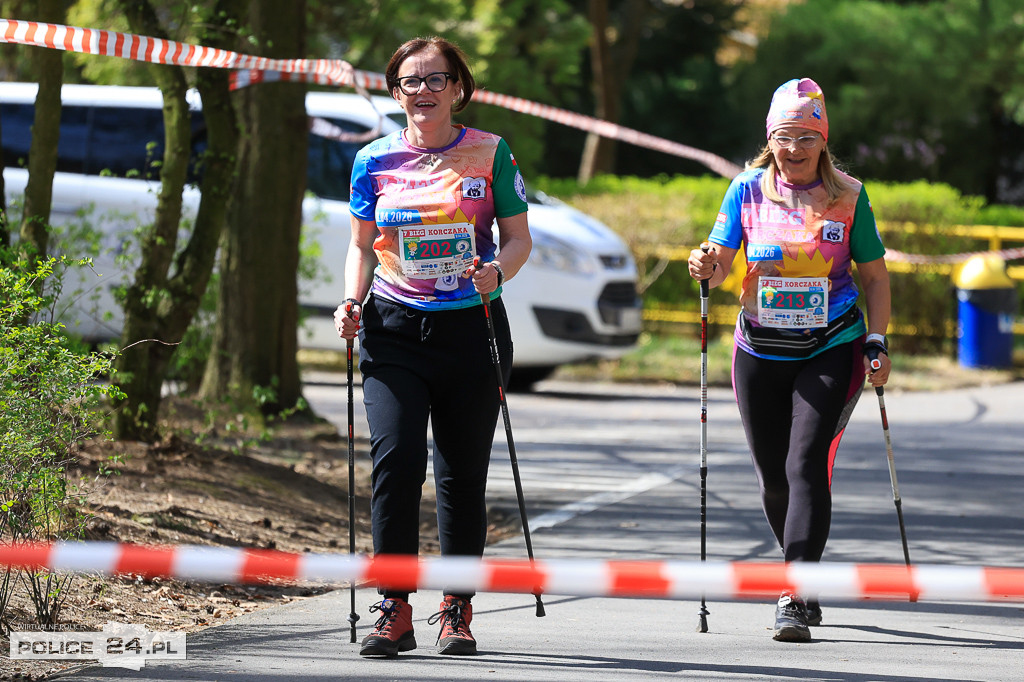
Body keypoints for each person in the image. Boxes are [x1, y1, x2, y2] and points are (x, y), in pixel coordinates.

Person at [334, 36, 531, 658]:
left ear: (458, 87)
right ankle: (393, 607)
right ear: (396, 92)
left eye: (436, 79)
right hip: (393, 328)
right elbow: (361, 246)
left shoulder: (490, 153)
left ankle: (456, 608)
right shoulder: (373, 160)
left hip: (472, 328)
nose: (423, 90)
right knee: (395, 465)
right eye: (411, 81)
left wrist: (497, 271)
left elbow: (519, 239)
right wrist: (351, 302)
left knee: (461, 475)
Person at [688, 78, 891, 642]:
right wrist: (705, 265)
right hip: (759, 347)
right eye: (784, 136)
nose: (794, 148)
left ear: (823, 140)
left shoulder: (848, 195)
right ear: (769, 139)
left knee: (806, 464)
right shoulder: (746, 190)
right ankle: (803, 573)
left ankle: (794, 593)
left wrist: (877, 340)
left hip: (832, 343)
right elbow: (720, 261)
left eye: (806, 137)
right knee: (774, 478)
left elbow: (875, 277)